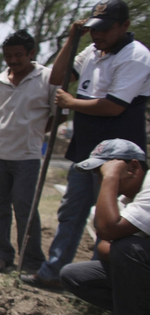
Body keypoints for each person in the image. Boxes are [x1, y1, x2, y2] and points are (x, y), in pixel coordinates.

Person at [21, 0, 150, 287]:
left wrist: (71, 102)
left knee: (109, 218)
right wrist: (72, 39)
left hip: (118, 157)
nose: (98, 35)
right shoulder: (91, 52)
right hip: (86, 151)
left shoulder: (136, 56)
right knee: (71, 211)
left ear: (124, 26)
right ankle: (53, 272)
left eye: (105, 29)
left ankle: (99, 279)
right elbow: (57, 76)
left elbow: (115, 105)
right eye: (93, 29)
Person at [59, 139, 150, 315]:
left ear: (134, 167)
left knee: (127, 247)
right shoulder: (121, 200)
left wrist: (111, 178)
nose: (100, 181)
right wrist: (117, 239)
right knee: (74, 275)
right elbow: (103, 246)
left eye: (105, 172)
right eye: (100, 174)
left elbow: (112, 234)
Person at [0, 30, 59, 273]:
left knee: (25, 208)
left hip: (27, 156)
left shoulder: (48, 78)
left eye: (18, 55)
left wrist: (34, 134)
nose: (13, 61)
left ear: (31, 53)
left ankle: (32, 260)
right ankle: (2, 255)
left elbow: (57, 117)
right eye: (8, 56)